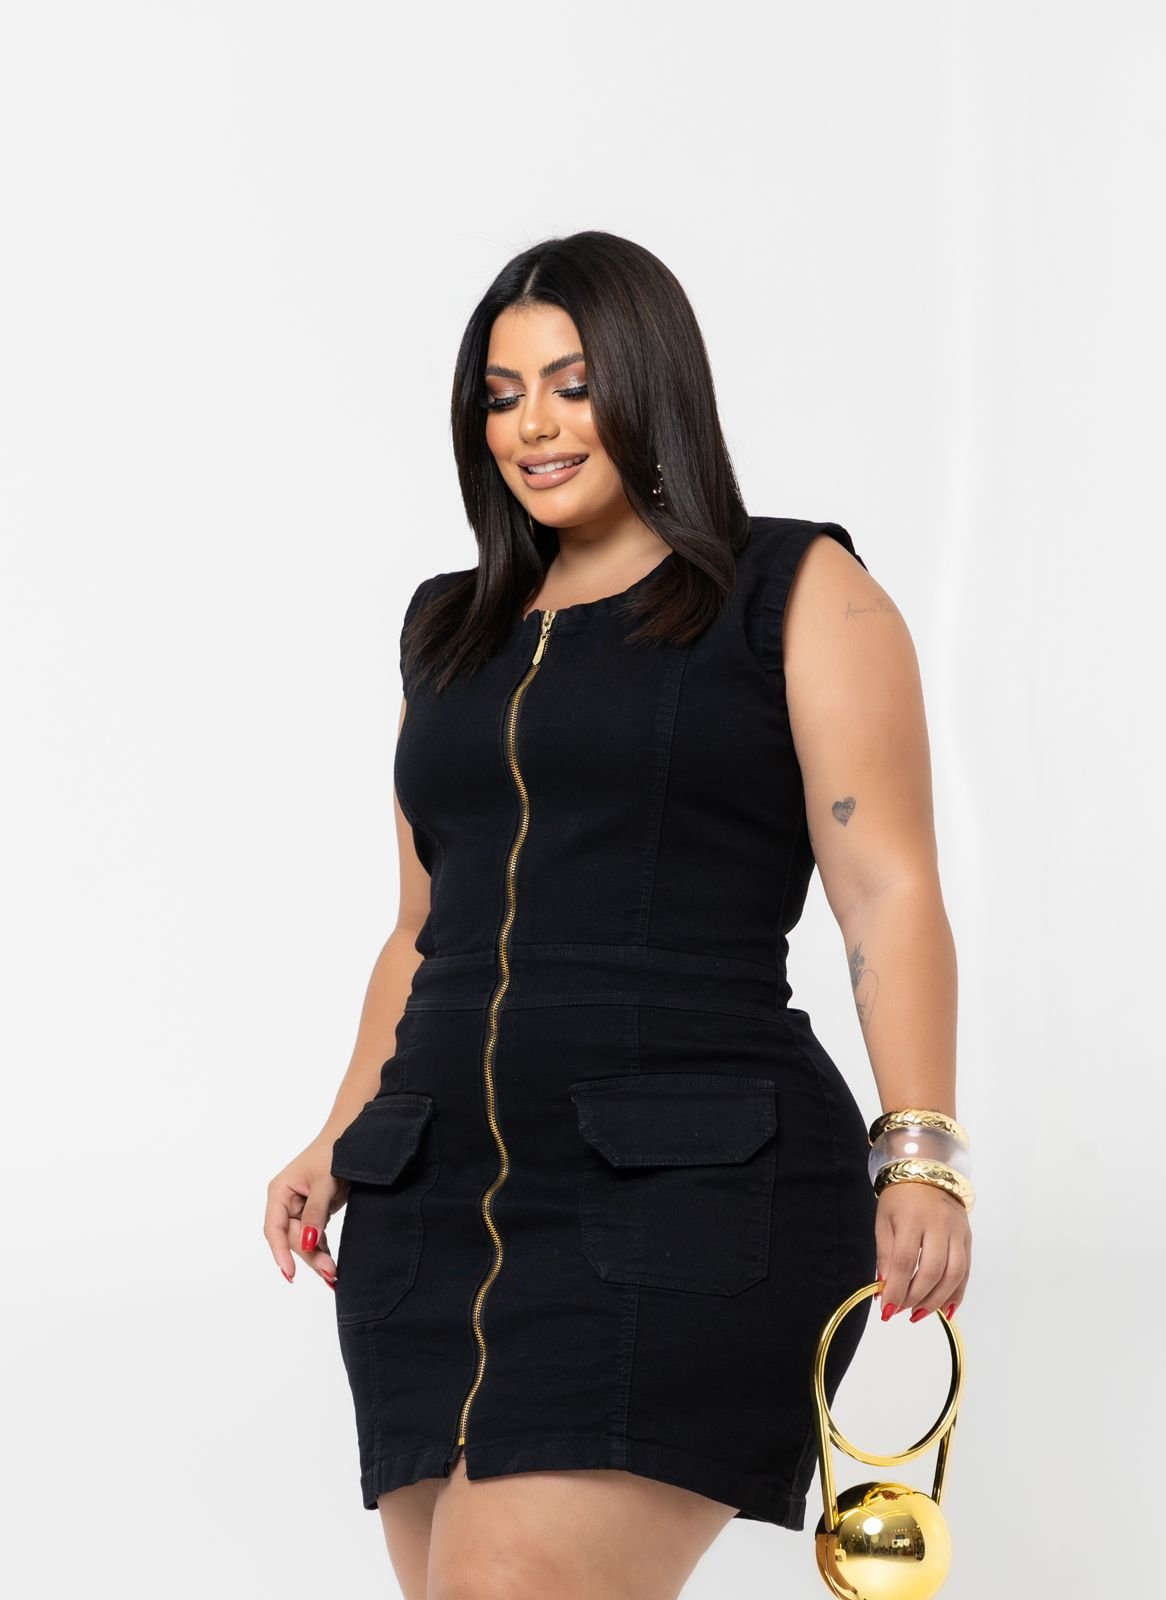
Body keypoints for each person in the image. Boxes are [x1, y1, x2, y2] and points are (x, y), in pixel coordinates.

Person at [264, 230, 974, 1600]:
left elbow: (885, 885)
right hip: (435, 1204)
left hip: (690, 1190)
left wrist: (921, 1151)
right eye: (501, 393)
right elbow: (422, 928)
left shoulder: (793, 589)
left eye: (571, 384)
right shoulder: (449, 630)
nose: (531, 425)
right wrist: (340, 1133)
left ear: (650, 383)